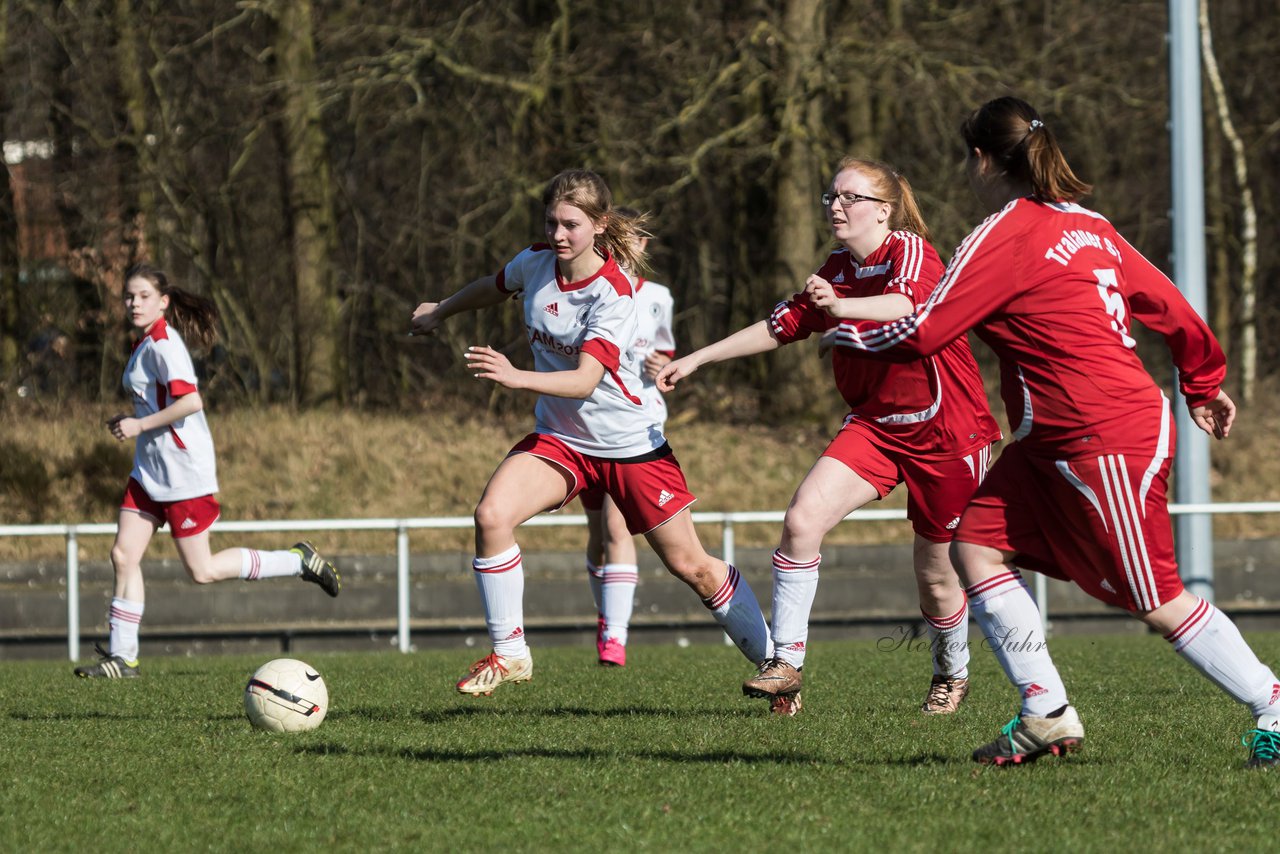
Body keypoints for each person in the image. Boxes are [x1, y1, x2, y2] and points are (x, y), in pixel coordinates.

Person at [831, 96, 1279, 768]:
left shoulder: (1001, 233)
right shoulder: (1090, 225)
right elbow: (1171, 305)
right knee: (975, 547)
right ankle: (1045, 711)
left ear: (982, 159)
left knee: (1155, 599)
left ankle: (1274, 704)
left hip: (1102, 432)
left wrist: (843, 323)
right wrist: (1203, 379)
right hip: (1052, 438)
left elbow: (927, 329)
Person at [657, 158, 1001, 716]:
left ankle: (951, 672)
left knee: (937, 579)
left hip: (947, 431)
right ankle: (786, 665)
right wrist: (699, 358)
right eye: (830, 196)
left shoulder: (908, 251)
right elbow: (781, 324)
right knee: (801, 520)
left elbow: (908, 306)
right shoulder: (839, 264)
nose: (836, 206)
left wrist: (841, 310)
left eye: (850, 197)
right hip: (875, 425)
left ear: (883, 210)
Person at [409, 169, 771, 696]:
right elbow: (494, 285)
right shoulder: (535, 262)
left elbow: (583, 381)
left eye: (571, 225)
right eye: (552, 221)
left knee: (692, 567)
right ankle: (511, 654)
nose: (558, 235)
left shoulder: (615, 293)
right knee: (491, 515)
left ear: (600, 225)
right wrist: (440, 311)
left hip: (629, 447)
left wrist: (514, 376)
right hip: (563, 441)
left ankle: (778, 667)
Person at [74, 264, 341, 679]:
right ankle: (123, 657)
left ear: (163, 301)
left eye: (143, 296)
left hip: (183, 474)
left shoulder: (164, 344)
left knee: (203, 571)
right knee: (123, 555)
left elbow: (191, 403)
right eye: (129, 296)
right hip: (150, 470)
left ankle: (296, 561)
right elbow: (159, 402)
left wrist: (139, 425)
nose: (134, 303)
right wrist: (132, 418)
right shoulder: (142, 342)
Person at [580, 207, 676, 667]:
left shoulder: (658, 296)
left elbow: (664, 354)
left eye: (637, 240)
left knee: (619, 526)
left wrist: (663, 369)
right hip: (584, 422)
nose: (628, 247)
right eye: (622, 239)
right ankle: (607, 618)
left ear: (644, 246)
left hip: (636, 424)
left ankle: (615, 637)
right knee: (599, 534)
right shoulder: (592, 290)